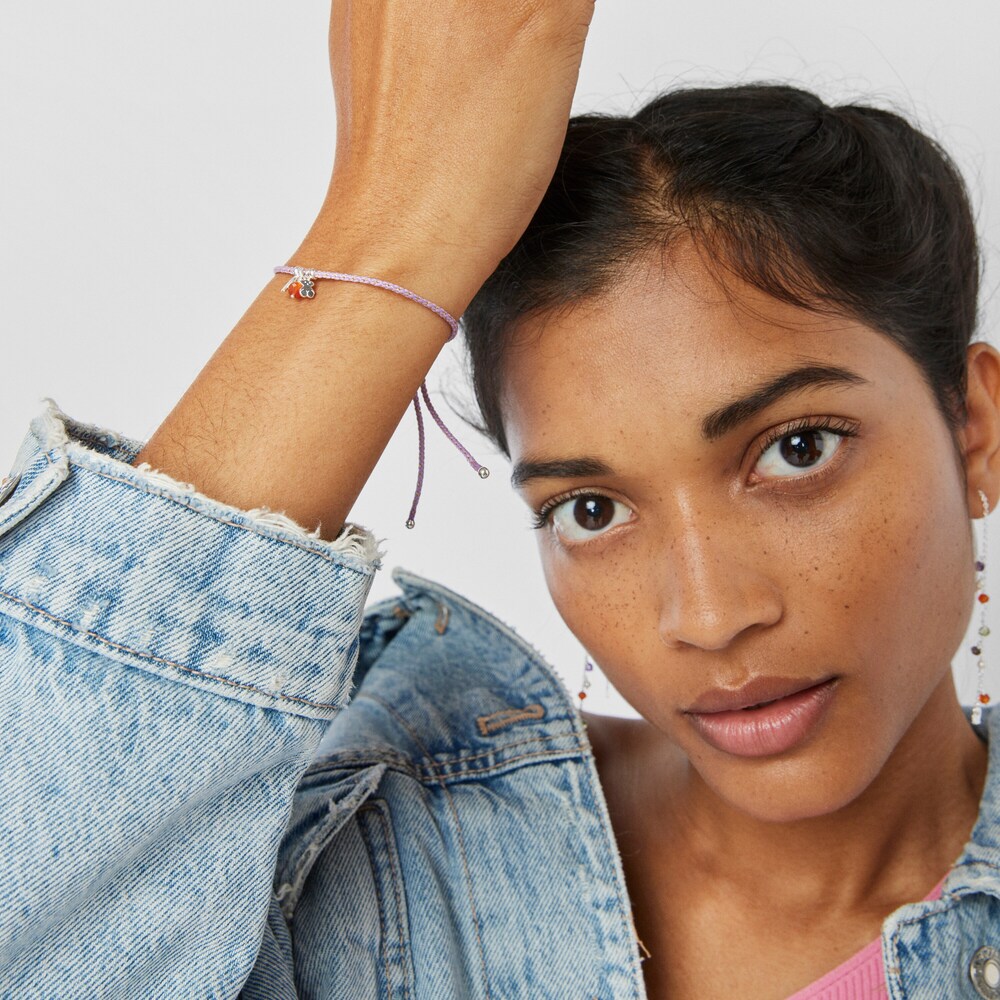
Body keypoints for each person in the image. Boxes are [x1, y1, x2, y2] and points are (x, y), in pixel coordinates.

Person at [1, 2, 998, 998]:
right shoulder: (374, 861)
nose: (708, 613)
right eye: (590, 509)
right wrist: (392, 222)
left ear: (975, 432)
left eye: (795, 449)